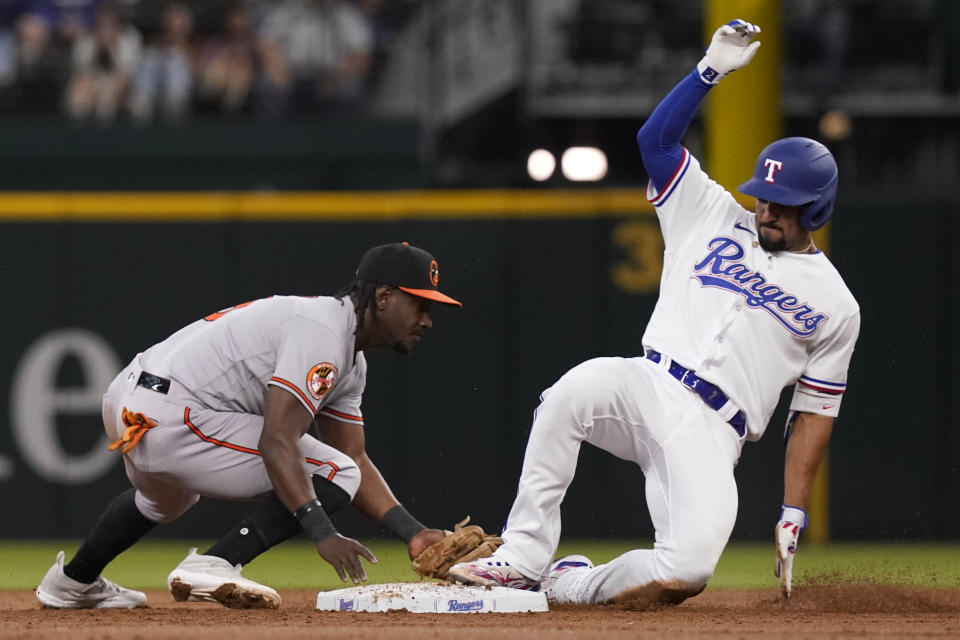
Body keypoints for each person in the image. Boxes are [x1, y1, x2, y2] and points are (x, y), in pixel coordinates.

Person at [450, 19, 860, 607]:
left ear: (816, 208)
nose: (768, 209)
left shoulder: (836, 304)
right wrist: (708, 72)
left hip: (715, 431)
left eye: (785, 204)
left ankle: (570, 584)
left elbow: (814, 414)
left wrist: (794, 509)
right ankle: (521, 555)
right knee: (569, 393)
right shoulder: (711, 211)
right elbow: (656, 144)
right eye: (764, 195)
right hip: (648, 381)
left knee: (686, 572)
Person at [36, 242, 461, 609]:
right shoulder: (324, 335)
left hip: (130, 400)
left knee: (166, 502)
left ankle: (73, 582)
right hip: (170, 415)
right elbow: (278, 440)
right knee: (334, 473)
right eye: (419, 304)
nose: (426, 319)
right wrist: (322, 531)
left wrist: (414, 533)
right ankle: (218, 562)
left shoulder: (345, 352)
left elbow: (353, 452)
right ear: (384, 296)